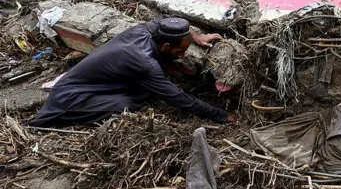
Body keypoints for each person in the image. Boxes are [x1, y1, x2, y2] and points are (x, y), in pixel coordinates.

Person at [28, 18, 236, 128]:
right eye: (180, 51)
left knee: (144, 91)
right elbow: (178, 98)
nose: (182, 56)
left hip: (85, 85)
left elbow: (171, 19)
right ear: (164, 47)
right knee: (130, 104)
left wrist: (197, 36)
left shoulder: (147, 30)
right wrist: (221, 115)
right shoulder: (143, 61)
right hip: (70, 99)